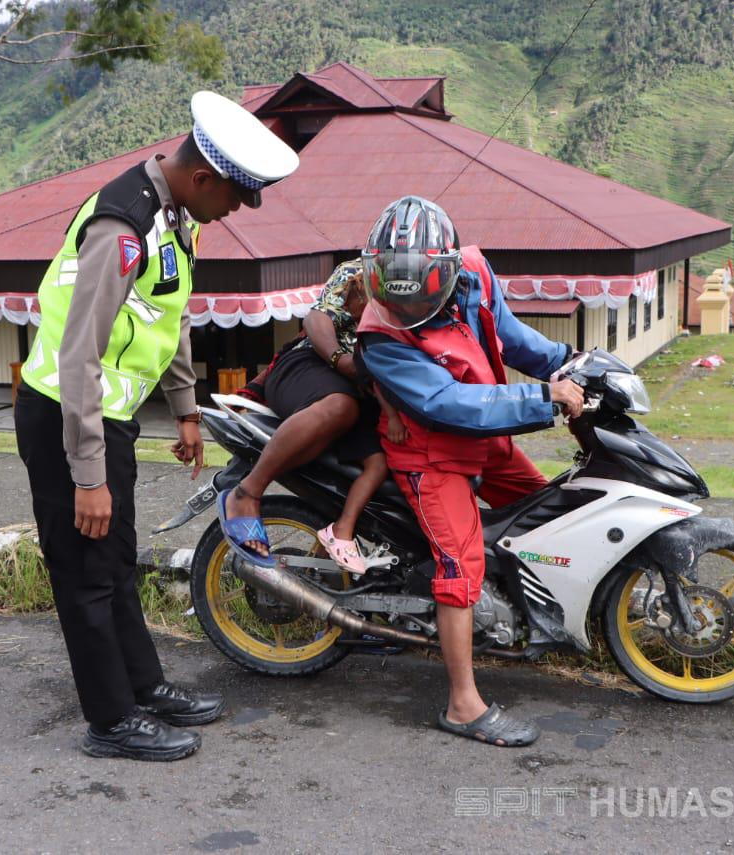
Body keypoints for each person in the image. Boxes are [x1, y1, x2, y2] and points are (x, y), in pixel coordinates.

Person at [14, 91, 298, 761]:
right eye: (234, 197)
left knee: (115, 559)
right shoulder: (123, 228)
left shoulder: (177, 220)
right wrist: (87, 474)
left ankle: (143, 686)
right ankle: (110, 719)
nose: (234, 211)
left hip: (106, 419)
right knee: (85, 571)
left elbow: (167, 320)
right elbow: (79, 352)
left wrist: (187, 409)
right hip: (65, 416)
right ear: (203, 178)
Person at [356, 196, 584, 748]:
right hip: (432, 456)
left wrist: (571, 361)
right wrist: (541, 399)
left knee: (551, 507)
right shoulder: (381, 334)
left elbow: (509, 336)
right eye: (394, 292)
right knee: (460, 566)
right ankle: (462, 705)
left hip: (487, 436)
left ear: (447, 271)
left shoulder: (475, 274)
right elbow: (449, 404)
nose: (405, 308)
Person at [218, 260, 405, 575]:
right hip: (316, 366)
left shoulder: (429, 292)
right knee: (340, 407)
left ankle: (334, 549)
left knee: (386, 464)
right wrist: (339, 359)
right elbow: (318, 318)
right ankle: (246, 493)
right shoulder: (357, 272)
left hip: (368, 393)